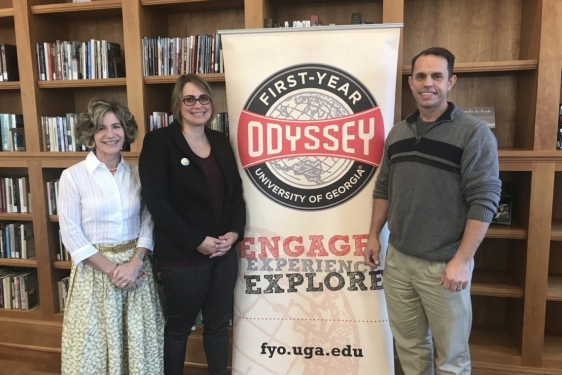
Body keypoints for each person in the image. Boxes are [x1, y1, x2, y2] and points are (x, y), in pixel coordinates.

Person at [364, 47, 501, 374]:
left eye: (437, 76)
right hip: (398, 261)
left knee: (451, 358)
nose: (429, 83)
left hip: (444, 266)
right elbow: (384, 187)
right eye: (421, 76)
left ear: (450, 81)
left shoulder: (473, 133)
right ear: (411, 82)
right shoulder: (397, 133)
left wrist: (461, 261)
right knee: (410, 349)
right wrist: (373, 236)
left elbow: (485, 199)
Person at [138, 73, 246, 375]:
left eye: (204, 98)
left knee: (217, 326)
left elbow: (235, 194)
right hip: (183, 255)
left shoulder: (221, 142)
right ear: (178, 104)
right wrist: (197, 239)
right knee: (178, 329)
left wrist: (234, 234)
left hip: (223, 254)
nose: (198, 105)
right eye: (190, 99)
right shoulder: (159, 142)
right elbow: (157, 202)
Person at [59, 99, 164, 375]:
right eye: (101, 128)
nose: (110, 134)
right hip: (96, 275)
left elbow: (148, 220)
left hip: (136, 270)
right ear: (90, 134)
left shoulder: (138, 174)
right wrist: (115, 272)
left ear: (125, 131)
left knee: (139, 348)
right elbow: (71, 233)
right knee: (93, 349)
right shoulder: (73, 177)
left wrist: (135, 264)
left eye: (116, 126)